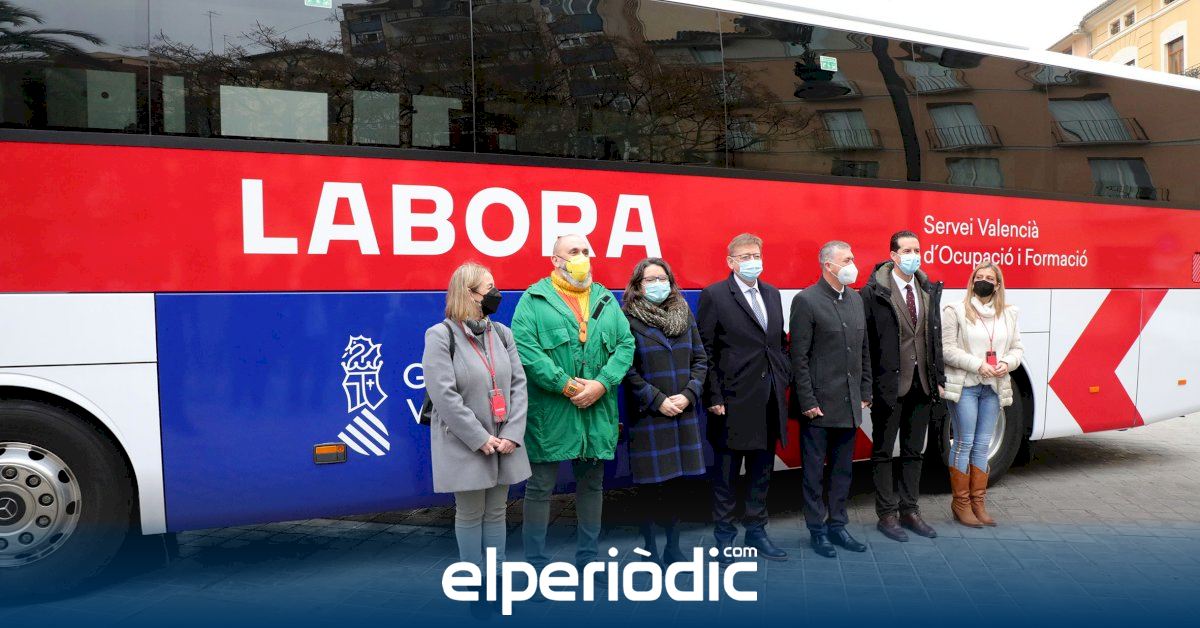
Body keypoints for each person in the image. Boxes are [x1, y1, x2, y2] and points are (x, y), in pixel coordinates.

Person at [511, 234, 635, 570]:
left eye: (585, 251)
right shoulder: (534, 300)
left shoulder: (605, 298)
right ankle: (535, 564)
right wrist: (567, 386)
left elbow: (625, 345)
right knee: (540, 487)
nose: (581, 257)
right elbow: (526, 351)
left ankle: (588, 559)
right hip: (551, 414)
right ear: (556, 260)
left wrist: (602, 384)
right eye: (573, 252)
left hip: (596, 411)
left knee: (592, 486)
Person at [423, 262, 530, 571]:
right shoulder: (441, 335)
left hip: (503, 439)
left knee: (497, 512)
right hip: (466, 442)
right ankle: (472, 577)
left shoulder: (503, 334)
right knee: (470, 514)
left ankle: (495, 574)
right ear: (468, 294)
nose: (496, 294)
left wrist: (512, 434)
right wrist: (479, 437)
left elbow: (519, 385)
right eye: (489, 288)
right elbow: (444, 395)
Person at [698, 233, 791, 563]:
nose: (753, 261)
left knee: (761, 472)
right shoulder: (715, 295)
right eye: (745, 256)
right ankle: (724, 538)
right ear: (731, 262)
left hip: (769, 400)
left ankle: (756, 531)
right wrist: (713, 394)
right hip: (731, 402)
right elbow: (705, 350)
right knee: (726, 475)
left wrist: (783, 376)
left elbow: (777, 343)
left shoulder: (772, 294)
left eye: (757, 255)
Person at [622, 258, 708, 564]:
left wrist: (688, 394)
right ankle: (650, 550)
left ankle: (673, 548)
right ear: (638, 285)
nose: (658, 284)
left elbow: (700, 359)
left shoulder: (684, 313)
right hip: (650, 415)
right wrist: (657, 399)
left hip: (683, 413)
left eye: (663, 279)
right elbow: (626, 369)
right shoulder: (627, 318)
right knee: (649, 489)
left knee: (676, 487)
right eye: (650, 280)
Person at [861, 230, 945, 542]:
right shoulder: (873, 293)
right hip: (889, 385)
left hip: (922, 385)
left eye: (917, 250)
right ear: (893, 256)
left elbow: (933, 337)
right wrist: (868, 385)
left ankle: (910, 510)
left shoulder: (927, 290)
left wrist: (938, 378)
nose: (913, 256)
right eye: (907, 251)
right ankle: (887, 514)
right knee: (883, 451)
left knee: (914, 451)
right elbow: (865, 343)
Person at [790, 241, 872, 558]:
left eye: (852, 258)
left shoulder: (855, 299)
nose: (852, 264)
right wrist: (807, 401)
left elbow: (863, 349)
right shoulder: (806, 301)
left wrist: (865, 391)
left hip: (849, 405)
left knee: (842, 472)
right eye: (846, 260)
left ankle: (838, 525)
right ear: (828, 265)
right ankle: (817, 530)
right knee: (814, 474)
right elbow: (799, 358)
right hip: (819, 407)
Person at [940, 261, 1023, 527]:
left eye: (989, 277)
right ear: (972, 281)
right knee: (964, 442)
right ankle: (960, 503)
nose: (983, 281)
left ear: (997, 285)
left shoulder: (1009, 314)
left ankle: (978, 502)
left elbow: (1017, 349)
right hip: (966, 385)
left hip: (993, 387)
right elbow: (947, 350)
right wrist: (978, 365)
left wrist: (1006, 363)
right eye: (979, 276)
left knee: (982, 444)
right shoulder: (955, 310)